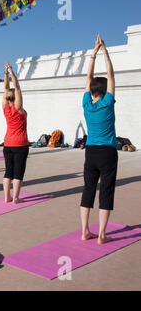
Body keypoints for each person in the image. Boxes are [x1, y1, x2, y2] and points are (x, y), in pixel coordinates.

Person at [80, 35, 117, 245]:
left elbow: (88, 78)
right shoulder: (108, 103)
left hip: (91, 151)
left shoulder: (87, 104)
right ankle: (101, 235)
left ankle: (85, 231)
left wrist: (93, 53)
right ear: (104, 90)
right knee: (106, 191)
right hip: (108, 153)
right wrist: (105, 52)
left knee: (88, 189)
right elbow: (111, 75)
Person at [2, 61, 29, 204]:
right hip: (20, 144)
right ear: (16, 98)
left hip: (8, 144)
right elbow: (16, 87)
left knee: (8, 172)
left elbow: (6, 88)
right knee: (18, 172)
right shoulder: (18, 108)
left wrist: (5, 73)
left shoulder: (5, 108)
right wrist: (11, 72)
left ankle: (7, 197)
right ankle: (16, 198)